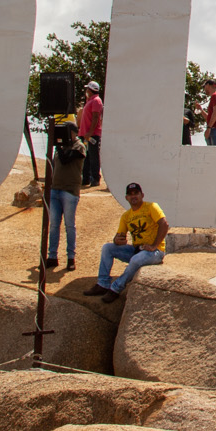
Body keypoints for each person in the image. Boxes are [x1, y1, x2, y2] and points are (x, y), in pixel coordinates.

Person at [92, 182, 167, 302]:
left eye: (136, 193)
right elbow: (119, 236)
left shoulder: (152, 207)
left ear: (142, 195)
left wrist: (154, 246)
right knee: (107, 248)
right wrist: (116, 240)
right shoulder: (126, 216)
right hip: (137, 250)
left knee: (136, 260)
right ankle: (102, 284)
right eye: (130, 194)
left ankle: (116, 288)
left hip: (154, 252)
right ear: (126, 197)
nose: (133, 196)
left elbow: (164, 224)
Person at [45, 122, 85, 272]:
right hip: (55, 189)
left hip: (69, 191)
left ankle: (70, 257)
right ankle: (52, 256)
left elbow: (66, 159)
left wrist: (59, 146)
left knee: (69, 225)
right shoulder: (59, 148)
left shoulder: (79, 146)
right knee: (54, 225)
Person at [77, 81, 103, 188]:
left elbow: (96, 117)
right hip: (85, 134)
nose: (86, 91)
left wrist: (90, 132)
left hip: (92, 134)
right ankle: (86, 178)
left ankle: (95, 178)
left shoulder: (96, 101)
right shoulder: (90, 100)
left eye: (87, 89)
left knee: (93, 156)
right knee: (86, 156)